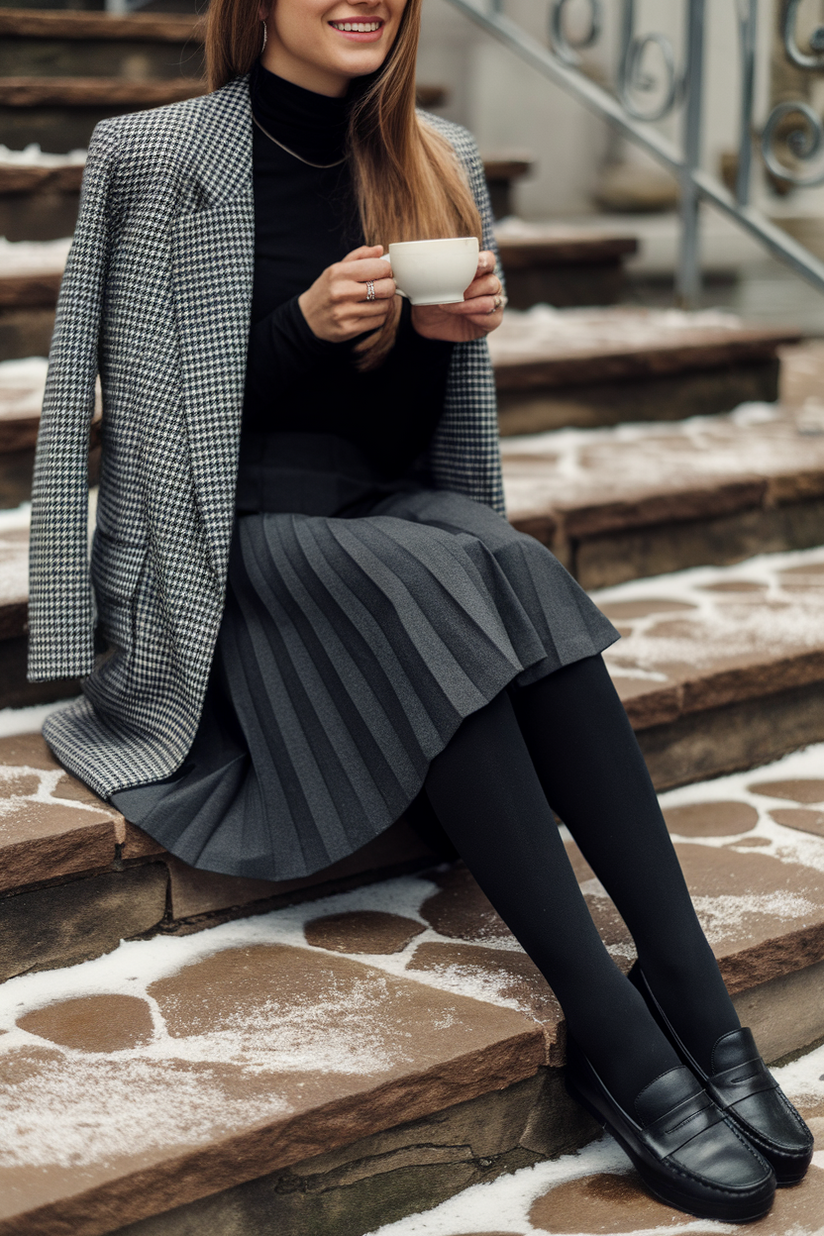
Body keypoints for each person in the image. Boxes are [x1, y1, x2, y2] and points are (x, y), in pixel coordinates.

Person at [28, 0, 812, 1221]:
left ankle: (692, 996)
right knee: (437, 575)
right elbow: (141, 435)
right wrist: (294, 333)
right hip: (228, 549)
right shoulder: (156, 156)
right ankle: (613, 1032)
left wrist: (442, 343)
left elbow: (419, 454)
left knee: (506, 563)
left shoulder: (434, 157)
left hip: (377, 515)